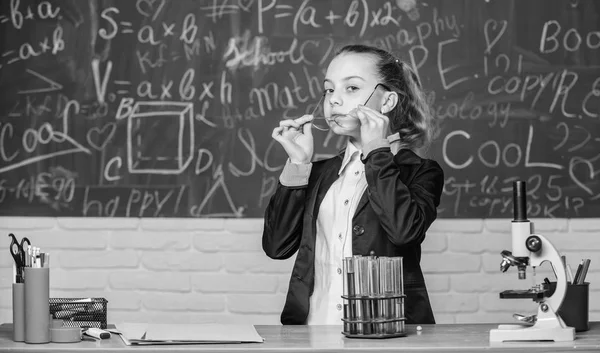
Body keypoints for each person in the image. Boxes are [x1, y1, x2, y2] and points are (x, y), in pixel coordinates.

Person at [262, 44, 444, 325]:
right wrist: (298, 165)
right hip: (314, 332)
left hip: (386, 332)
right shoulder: (320, 172)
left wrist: (376, 151)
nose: (334, 100)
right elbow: (277, 247)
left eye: (351, 88)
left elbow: (403, 232)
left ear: (387, 102)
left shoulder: (419, 172)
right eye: (329, 90)